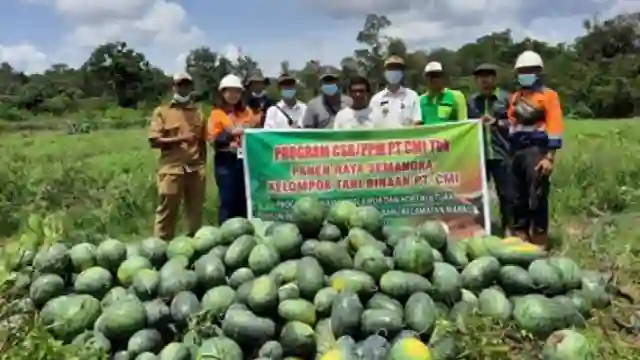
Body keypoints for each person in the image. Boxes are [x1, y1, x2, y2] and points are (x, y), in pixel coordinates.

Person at [507, 50, 564, 248]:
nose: (525, 74)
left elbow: (555, 127)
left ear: (538, 72)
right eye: (522, 71)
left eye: (530, 70)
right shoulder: (515, 97)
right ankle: (521, 235)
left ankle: (540, 238)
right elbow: (511, 124)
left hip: (536, 151)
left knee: (537, 195)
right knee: (517, 196)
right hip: (516, 153)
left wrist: (549, 157)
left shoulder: (548, 96)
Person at [148, 71, 206, 240]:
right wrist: (180, 138)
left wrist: (202, 165)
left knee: (195, 213)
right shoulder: (162, 112)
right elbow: (154, 141)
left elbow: (202, 143)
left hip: (195, 170)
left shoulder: (198, 113)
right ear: (174, 87)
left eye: (187, 84)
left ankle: (195, 248)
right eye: (180, 84)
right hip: (172, 169)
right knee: (167, 212)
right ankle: (160, 248)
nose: (183, 88)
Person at [468, 63, 516, 235]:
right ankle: (480, 228)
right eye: (480, 77)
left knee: (507, 195)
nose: (484, 80)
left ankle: (508, 229)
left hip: (503, 154)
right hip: (480, 156)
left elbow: (517, 124)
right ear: (476, 80)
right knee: (477, 195)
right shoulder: (472, 102)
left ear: (494, 78)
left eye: (488, 76)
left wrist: (497, 122)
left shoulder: (507, 99)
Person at [208, 74, 259, 224]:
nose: (233, 95)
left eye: (237, 91)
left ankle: (245, 230)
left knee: (244, 198)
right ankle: (226, 233)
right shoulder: (216, 114)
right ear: (222, 94)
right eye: (229, 91)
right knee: (228, 200)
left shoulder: (246, 112)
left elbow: (254, 129)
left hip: (245, 160)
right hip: (226, 161)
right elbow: (213, 137)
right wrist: (230, 134)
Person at [369, 55, 421, 127]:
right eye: (390, 69)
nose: (394, 71)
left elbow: (417, 122)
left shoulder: (412, 96)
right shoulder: (376, 99)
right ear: (384, 73)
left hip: (406, 138)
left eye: (397, 69)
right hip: (384, 138)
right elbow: (372, 125)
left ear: (403, 73)